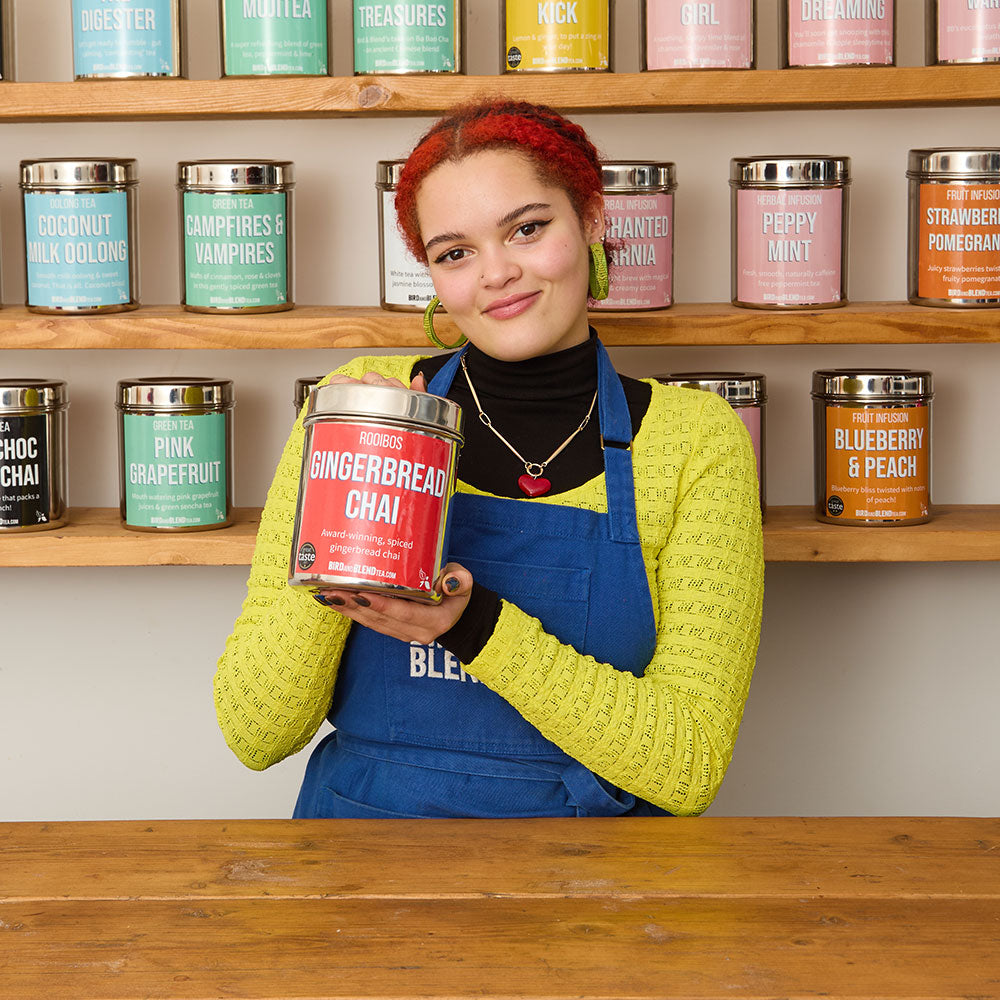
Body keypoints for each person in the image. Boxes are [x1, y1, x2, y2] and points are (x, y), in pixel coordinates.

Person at [214, 99, 764, 819]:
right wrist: (354, 493)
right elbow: (257, 734)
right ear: (433, 276)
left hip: (598, 879)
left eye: (527, 229)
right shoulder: (355, 405)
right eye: (455, 252)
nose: (497, 273)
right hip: (363, 863)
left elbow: (688, 765)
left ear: (592, 221)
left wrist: (473, 628)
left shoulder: (694, 439)